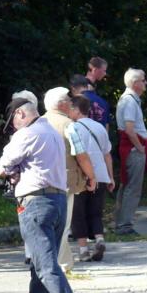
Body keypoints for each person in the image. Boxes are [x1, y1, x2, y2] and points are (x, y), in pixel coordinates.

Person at [0, 98, 84, 293]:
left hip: (35, 202)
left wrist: (12, 169)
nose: (14, 127)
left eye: (13, 121)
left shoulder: (27, 134)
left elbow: (2, 166)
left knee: (45, 265)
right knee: (41, 262)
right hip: (57, 201)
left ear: (20, 114)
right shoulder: (52, 132)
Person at [44, 87, 98, 273]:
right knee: (63, 225)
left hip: (39, 182)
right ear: (62, 105)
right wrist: (91, 176)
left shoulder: (37, 123)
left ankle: (50, 263)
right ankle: (62, 265)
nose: (70, 104)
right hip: (64, 181)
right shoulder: (69, 125)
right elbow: (81, 155)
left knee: (46, 225)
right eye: (68, 101)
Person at [70, 95, 113, 262]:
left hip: (81, 176)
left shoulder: (72, 128)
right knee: (96, 212)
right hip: (101, 174)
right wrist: (110, 177)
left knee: (78, 213)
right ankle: (99, 239)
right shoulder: (100, 127)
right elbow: (107, 154)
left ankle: (83, 250)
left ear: (76, 109)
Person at [113, 68, 147, 236]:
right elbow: (129, 129)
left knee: (127, 184)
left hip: (131, 147)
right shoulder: (129, 101)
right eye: (143, 80)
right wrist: (140, 146)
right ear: (135, 83)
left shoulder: (129, 99)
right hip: (133, 148)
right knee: (132, 187)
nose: (145, 83)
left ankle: (121, 221)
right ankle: (124, 224)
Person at [80, 57, 111, 128]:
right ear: (95, 70)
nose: (105, 73)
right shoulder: (85, 86)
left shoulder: (91, 85)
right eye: (104, 71)